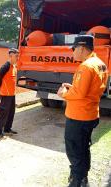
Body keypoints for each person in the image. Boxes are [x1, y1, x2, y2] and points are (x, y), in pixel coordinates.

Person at [57, 35, 108, 187]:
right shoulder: (100, 64)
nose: (72, 52)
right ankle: (83, 178)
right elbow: (91, 90)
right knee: (83, 147)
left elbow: (79, 94)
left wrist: (63, 94)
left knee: (74, 150)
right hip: (90, 113)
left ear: (81, 48)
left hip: (79, 116)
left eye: (74, 49)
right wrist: (73, 87)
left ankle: (77, 181)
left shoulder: (85, 66)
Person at [0, 48, 19, 138]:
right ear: (10, 56)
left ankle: (7, 128)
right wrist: (4, 88)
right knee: (3, 113)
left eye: (18, 56)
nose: (17, 58)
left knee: (11, 112)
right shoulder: (5, 66)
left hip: (12, 94)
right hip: (5, 94)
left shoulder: (14, 67)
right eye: (16, 56)